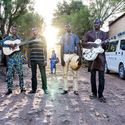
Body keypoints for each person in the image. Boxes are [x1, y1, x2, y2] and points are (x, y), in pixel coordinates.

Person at [82, 19, 108, 103]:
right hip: (92, 57)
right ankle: (93, 93)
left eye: (98, 23)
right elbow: (83, 43)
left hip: (100, 58)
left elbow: (106, 48)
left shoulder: (104, 34)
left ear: (100, 24)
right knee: (92, 76)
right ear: (93, 24)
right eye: (95, 23)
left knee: (101, 78)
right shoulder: (89, 33)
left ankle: (100, 95)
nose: (96, 24)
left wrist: (104, 45)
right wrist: (93, 44)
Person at [0, 25, 26, 95]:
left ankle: (22, 87)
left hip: (18, 58)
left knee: (20, 73)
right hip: (11, 58)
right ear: (11, 30)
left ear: (17, 30)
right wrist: (9, 45)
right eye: (13, 29)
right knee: (9, 74)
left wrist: (20, 47)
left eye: (15, 29)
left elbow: (23, 49)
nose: (14, 31)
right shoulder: (8, 38)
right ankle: (9, 89)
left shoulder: (20, 39)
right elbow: (1, 43)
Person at [60, 24, 82, 95]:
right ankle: (65, 89)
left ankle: (75, 90)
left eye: (69, 26)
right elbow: (62, 48)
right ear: (65, 28)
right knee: (64, 73)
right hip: (65, 55)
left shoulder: (75, 36)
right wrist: (61, 58)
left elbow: (78, 47)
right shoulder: (63, 37)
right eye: (66, 26)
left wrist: (80, 57)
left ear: (71, 27)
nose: (68, 27)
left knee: (75, 73)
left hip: (73, 55)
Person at [28, 27, 48, 94]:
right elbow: (29, 50)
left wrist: (45, 59)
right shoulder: (31, 39)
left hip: (41, 59)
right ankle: (34, 89)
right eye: (33, 30)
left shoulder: (43, 38)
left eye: (35, 30)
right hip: (33, 59)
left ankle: (45, 88)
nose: (34, 31)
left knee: (43, 74)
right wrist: (28, 61)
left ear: (38, 31)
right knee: (33, 75)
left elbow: (45, 49)